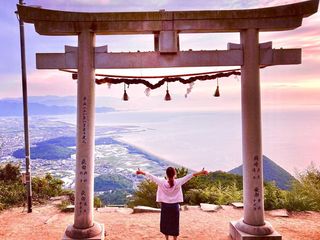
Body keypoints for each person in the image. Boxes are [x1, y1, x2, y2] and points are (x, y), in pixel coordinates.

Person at [136, 167, 208, 240]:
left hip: (165, 206)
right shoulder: (178, 182)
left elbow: (150, 176)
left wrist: (141, 172)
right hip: (174, 206)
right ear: (175, 174)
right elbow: (190, 176)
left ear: (166, 175)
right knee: (174, 224)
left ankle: (167, 239)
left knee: (165, 223)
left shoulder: (161, 182)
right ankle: (175, 239)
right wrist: (201, 172)